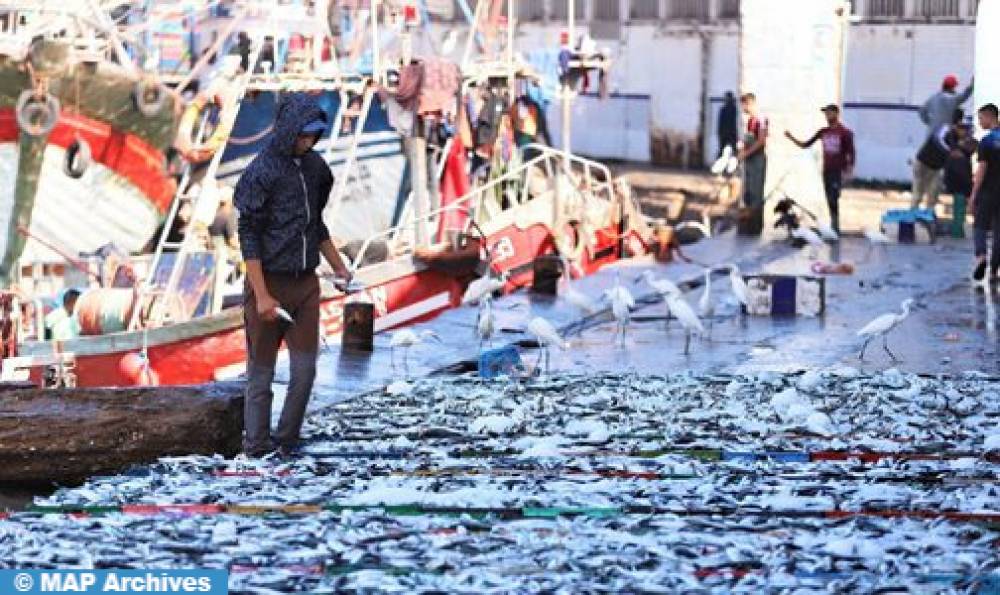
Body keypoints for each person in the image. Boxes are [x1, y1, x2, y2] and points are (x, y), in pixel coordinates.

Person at [234, 93, 353, 458]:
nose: (308, 141)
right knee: (261, 375)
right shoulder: (261, 172)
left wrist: (339, 267)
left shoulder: (317, 170)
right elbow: (248, 236)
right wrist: (263, 295)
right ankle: (254, 447)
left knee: (304, 372)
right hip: (268, 282)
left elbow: (316, 224)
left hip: (306, 284)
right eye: (303, 135)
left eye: (314, 136)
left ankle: (286, 441)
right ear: (288, 131)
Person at [784, 104, 856, 233]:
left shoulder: (845, 132)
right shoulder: (823, 131)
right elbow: (805, 144)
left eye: (829, 113)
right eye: (825, 114)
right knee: (829, 197)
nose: (827, 116)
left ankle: (835, 226)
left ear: (836, 114)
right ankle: (834, 224)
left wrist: (849, 170)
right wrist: (791, 137)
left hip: (838, 170)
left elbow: (851, 152)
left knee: (834, 197)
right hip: (827, 169)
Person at [970, 103, 1000, 283]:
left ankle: (981, 258)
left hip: (988, 191)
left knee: (980, 225)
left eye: (981, 118)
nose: (980, 122)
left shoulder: (987, 141)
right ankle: (995, 270)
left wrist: (974, 193)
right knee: (999, 231)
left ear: (990, 117)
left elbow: (981, 169)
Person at [910, 115, 954, 213]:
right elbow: (938, 140)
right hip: (923, 163)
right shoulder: (944, 130)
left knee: (934, 192)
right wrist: (950, 151)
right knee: (918, 192)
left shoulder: (956, 135)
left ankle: (929, 216)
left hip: (936, 167)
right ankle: (913, 215)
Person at [738, 93, 768, 234]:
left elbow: (761, 141)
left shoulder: (761, 119)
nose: (743, 108)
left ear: (750, 104)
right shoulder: (750, 121)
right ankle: (748, 223)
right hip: (748, 161)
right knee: (748, 193)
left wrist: (746, 153)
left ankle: (756, 226)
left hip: (757, 160)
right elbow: (748, 139)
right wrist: (741, 148)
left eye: (744, 105)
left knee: (756, 193)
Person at [943, 117, 977, 239]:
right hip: (956, 176)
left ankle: (959, 228)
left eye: (965, 129)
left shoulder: (969, 141)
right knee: (959, 204)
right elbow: (947, 139)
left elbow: (970, 148)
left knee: (962, 204)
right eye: (961, 128)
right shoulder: (951, 138)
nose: (963, 131)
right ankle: (957, 230)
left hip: (963, 176)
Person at [718, 91, 739, 157]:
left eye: (727, 98)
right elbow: (720, 122)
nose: (726, 99)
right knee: (724, 150)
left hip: (730, 133)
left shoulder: (733, 109)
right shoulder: (725, 109)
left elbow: (735, 121)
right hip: (727, 133)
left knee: (731, 150)